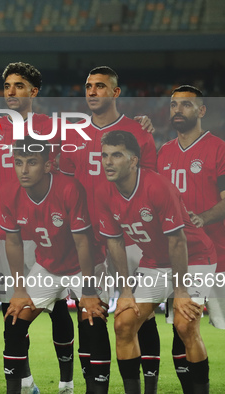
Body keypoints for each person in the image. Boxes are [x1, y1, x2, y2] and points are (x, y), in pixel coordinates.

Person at [0, 62, 72, 393]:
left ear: (33, 92)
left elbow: (71, 167)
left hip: (49, 238)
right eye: (7, 85)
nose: (11, 91)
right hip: (6, 236)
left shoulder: (51, 127)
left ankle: (67, 383)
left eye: (19, 85)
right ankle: (25, 383)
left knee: (56, 309)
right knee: (11, 314)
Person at [57, 66, 159, 393]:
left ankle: (149, 387)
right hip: (91, 241)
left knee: (141, 318)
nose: (92, 91)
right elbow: (67, 189)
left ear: (115, 92)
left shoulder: (138, 132)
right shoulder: (73, 135)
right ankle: (94, 386)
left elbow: (152, 185)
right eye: (88, 86)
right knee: (91, 313)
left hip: (133, 241)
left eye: (100, 86)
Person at [96, 130, 215, 393]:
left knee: (185, 325)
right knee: (123, 324)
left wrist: (181, 290)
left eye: (116, 155)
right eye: (104, 155)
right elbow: (114, 242)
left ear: (133, 160)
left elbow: (178, 241)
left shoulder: (158, 186)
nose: (108, 162)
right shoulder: (103, 191)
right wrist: (125, 290)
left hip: (194, 258)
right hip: (153, 262)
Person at [158, 85, 225, 394]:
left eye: (186, 105)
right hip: (183, 261)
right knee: (182, 329)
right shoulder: (164, 152)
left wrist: (200, 218)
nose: (178, 110)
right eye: (174, 105)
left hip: (223, 259)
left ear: (201, 111)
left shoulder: (220, 149)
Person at [0, 137, 108, 394]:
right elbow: (13, 243)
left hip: (86, 267)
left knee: (93, 324)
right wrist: (19, 290)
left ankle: (91, 389)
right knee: (14, 322)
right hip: (48, 267)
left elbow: (83, 244)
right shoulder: (9, 193)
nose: (24, 170)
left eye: (32, 163)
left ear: (48, 165)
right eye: (18, 162)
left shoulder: (69, 188)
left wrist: (89, 292)